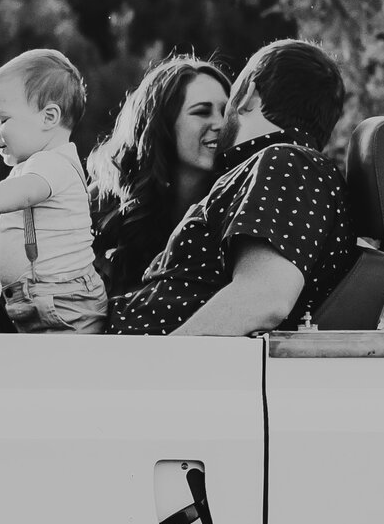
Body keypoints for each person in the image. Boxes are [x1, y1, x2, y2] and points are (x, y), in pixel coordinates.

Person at [110, 39, 356, 337]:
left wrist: (157, 368)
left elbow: (265, 298)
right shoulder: (272, 168)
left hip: (144, 371)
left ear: (248, 94)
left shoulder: (287, 162)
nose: (219, 117)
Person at [0, 48, 107, 333]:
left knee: (65, 375)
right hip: (41, 301)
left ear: (49, 117)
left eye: (1, 120)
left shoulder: (54, 165)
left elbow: (16, 194)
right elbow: (1, 202)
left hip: (66, 304)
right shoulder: (31, 168)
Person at [88, 54, 231, 300]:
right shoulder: (101, 206)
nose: (220, 123)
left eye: (226, 112)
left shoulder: (235, 207)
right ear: (160, 124)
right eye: (202, 112)